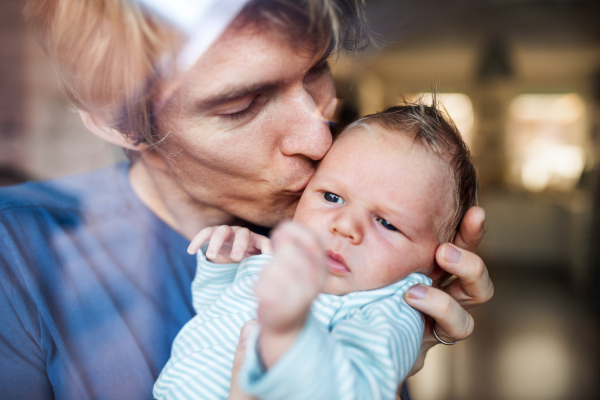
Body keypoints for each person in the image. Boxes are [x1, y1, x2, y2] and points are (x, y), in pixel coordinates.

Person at [0, 0, 493, 399]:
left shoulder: (343, 252)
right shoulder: (15, 259)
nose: (321, 141)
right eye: (241, 105)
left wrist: (403, 339)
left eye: (317, 69)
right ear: (115, 122)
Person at [153, 100, 479, 400]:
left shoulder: (389, 310)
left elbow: (361, 390)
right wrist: (225, 266)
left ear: (435, 266)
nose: (345, 226)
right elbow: (215, 318)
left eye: (387, 223)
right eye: (331, 197)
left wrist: (292, 333)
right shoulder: (282, 259)